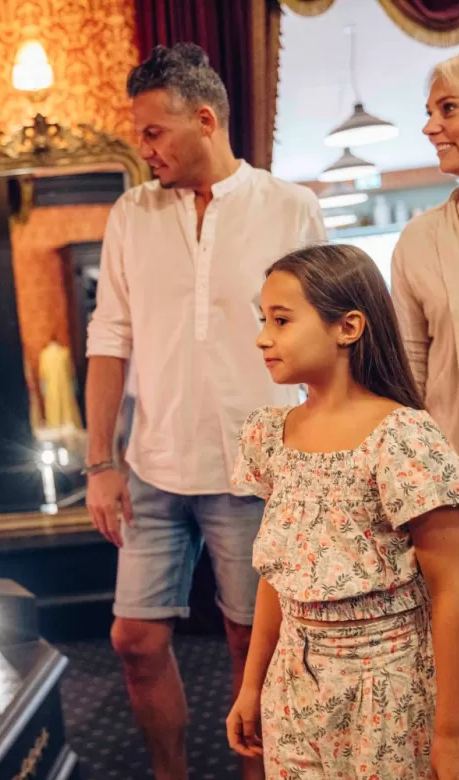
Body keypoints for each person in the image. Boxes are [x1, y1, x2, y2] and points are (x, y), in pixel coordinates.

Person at [85, 43, 325, 780]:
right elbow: (109, 337)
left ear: (205, 118)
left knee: (252, 646)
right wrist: (99, 462)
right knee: (134, 640)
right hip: (153, 467)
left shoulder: (290, 206)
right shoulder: (131, 213)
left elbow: (326, 335)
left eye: (154, 132)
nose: (143, 148)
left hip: (257, 471)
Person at [227, 243, 459, 779]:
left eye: (281, 319)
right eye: (262, 319)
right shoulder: (271, 435)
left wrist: (454, 732)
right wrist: (252, 684)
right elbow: (279, 575)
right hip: (293, 688)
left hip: (386, 690)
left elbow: (450, 591)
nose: (262, 337)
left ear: (347, 327)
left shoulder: (402, 438)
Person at [391, 48, 459, 689]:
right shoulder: (421, 239)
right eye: (428, 112)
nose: (430, 126)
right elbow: (409, 379)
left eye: (448, 108)